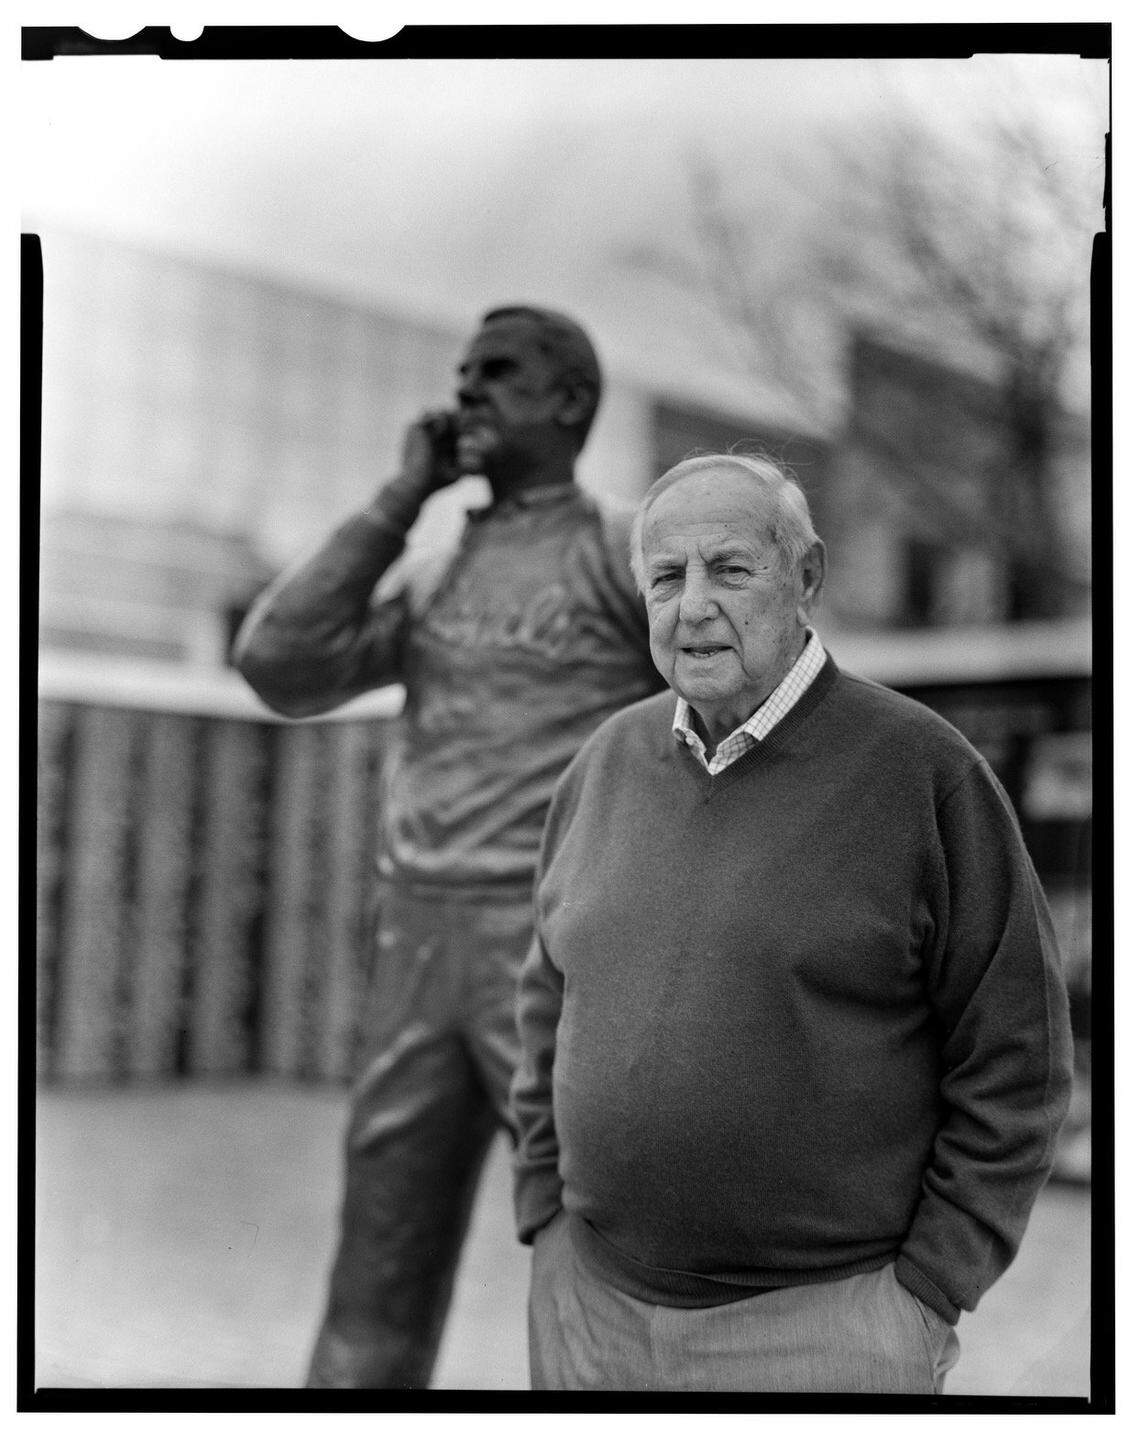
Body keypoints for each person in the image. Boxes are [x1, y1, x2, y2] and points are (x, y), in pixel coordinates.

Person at [510, 451, 1074, 1393]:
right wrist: (543, 1208)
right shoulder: (604, 762)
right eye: (666, 576)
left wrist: (930, 1286)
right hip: (590, 1311)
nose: (693, 605)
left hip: (825, 1332)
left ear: (806, 577)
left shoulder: (923, 774)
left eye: (729, 569)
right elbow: (544, 998)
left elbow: (1020, 1056)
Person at [232, 305, 662, 1389]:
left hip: (559, 948)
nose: (467, 389)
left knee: (608, 1270)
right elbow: (279, 663)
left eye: (499, 372)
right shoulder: (430, 572)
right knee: (378, 1265)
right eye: (462, 373)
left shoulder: (625, 547)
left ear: (568, 400)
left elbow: (747, 705)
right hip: (417, 943)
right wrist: (398, 497)